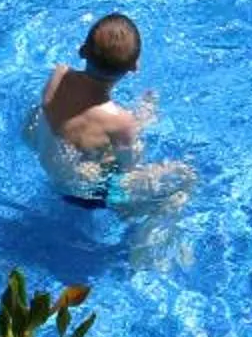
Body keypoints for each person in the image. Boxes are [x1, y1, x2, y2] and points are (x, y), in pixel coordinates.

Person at [28, 13, 194, 214]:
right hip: (91, 194)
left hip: (51, 169)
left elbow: (77, 120)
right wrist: (140, 123)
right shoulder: (121, 121)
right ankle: (140, 225)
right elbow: (128, 167)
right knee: (185, 176)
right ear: (134, 67)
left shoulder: (58, 74)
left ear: (82, 51)